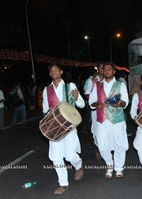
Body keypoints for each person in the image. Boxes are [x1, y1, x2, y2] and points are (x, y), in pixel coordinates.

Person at [42, 63, 85, 195]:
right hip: (54, 128)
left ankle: (78, 166)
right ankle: (63, 183)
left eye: (56, 70)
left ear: (61, 72)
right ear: (50, 74)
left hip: (69, 127)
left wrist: (77, 98)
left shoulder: (70, 86)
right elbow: (45, 109)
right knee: (56, 157)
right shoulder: (46, 90)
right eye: (51, 71)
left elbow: (82, 105)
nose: (54, 72)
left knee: (70, 155)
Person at [89, 63, 129, 178]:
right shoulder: (97, 85)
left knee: (120, 144)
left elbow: (125, 102)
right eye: (104, 69)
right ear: (102, 71)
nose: (106, 71)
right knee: (102, 145)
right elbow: (91, 101)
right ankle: (109, 165)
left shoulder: (120, 85)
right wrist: (97, 104)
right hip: (102, 120)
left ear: (114, 72)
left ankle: (119, 168)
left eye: (109, 69)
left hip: (117, 119)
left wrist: (119, 103)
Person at [84, 63, 104, 160]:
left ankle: (106, 151)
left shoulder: (110, 81)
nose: (104, 70)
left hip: (108, 111)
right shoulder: (91, 81)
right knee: (97, 131)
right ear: (98, 69)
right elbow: (87, 95)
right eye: (101, 68)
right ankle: (98, 149)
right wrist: (96, 101)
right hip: (96, 110)